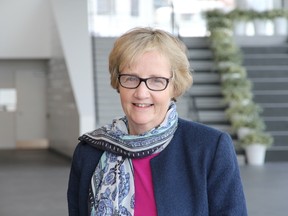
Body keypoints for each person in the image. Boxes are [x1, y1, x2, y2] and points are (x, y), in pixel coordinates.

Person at [67, 27, 247, 216]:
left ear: (174, 87)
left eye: (156, 81)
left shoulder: (209, 148)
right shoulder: (89, 152)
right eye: (130, 78)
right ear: (117, 82)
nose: (141, 93)